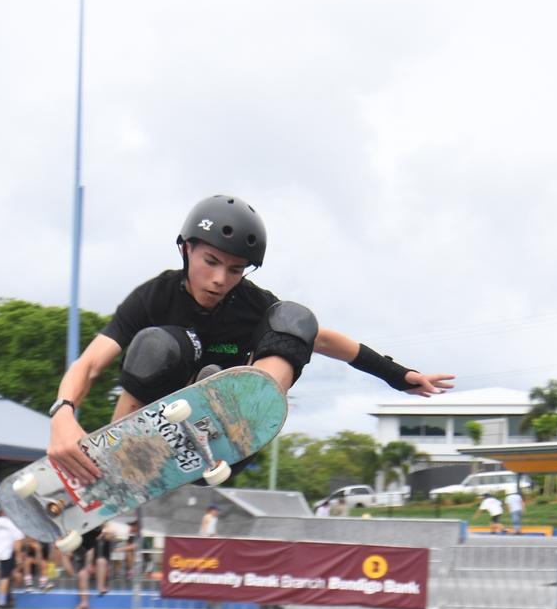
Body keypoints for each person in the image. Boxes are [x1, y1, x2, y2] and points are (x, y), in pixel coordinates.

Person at [44, 194, 453, 489]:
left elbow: (324, 340)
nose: (221, 279)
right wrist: (64, 412)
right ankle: (120, 460)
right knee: (159, 343)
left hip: (226, 443)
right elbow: (90, 363)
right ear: (187, 250)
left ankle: (234, 407)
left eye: (235, 270)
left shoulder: (251, 303)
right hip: (155, 438)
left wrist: (396, 375)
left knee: (294, 317)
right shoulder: (154, 296)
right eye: (211, 262)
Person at [0, 510, 25, 609]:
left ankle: (6, 597)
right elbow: (18, 544)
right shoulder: (15, 524)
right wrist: (19, 556)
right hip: (6, 553)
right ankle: (2, 601)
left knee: (1, 575)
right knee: (5, 577)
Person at [73, 528, 114, 609]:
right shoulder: (89, 540)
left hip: (104, 569)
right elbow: (89, 552)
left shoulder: (107, 534)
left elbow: (112, 536)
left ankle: (101, 587)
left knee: (101, 561)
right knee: (82, 574)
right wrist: (89, 565)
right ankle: (84, 602)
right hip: (93, 567)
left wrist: (105, 534)